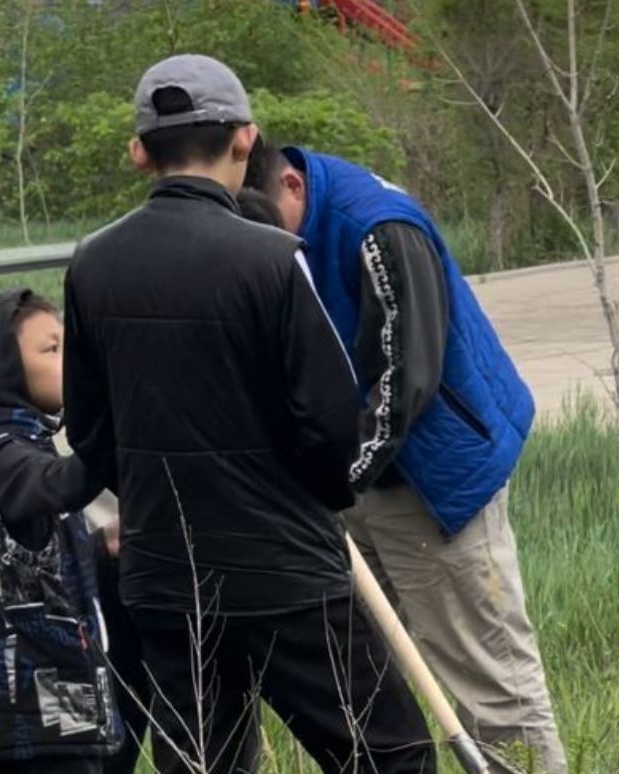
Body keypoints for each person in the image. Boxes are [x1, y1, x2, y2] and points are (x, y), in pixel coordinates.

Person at [63, 54, 436, 774]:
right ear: (245, 138)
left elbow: (90, 431)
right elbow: (329, 426)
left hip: (165, 574)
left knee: (204, 761)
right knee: (391, 756)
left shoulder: (92, 263)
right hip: (285, 568)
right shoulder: (274, 259)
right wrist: (322, 494)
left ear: (139, 152)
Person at [246, 143, 566, 773]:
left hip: (434, 479)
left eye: (261, 222)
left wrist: (335, 480)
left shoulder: (378, 229)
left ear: (290, 185)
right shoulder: (289, 226)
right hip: (355, 481)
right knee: (359, 674)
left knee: (490, 681)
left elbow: (406, 377)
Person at [0, 289, 124, 774]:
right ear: (2, 370)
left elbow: (27, 564)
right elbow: (65, 484)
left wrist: (100, 545)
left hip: (21, 706)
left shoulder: (0, 447)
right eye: (51, 349)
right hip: (42, 708)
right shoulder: (3, 458)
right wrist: (115, 415)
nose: (69, 362)